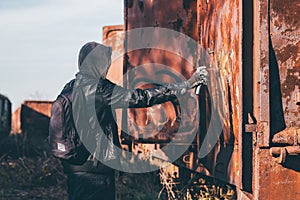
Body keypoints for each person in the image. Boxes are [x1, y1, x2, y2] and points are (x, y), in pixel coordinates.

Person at [58, 41, 208, 200]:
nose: (107, 68)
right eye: (104, 63)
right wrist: (187, 84)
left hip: (74, 169)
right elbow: (142, 97)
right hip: (96, 172)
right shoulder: (100, 88)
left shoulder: (69, 87)